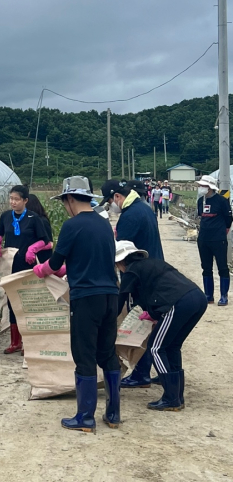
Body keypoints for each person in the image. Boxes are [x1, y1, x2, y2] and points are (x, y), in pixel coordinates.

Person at [33, 176, 120, 433]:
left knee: (84, 354)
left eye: (64, 202)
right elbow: (91, 258)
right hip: (110, 296)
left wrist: (41, 270)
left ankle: (85, 416)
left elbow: (54, 263)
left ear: (70, 199)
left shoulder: (72, 226)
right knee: (107, 353)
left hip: (86, 298)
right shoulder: (104, 224)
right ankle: (113, 413)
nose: (65, 206)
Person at [115, 239, 207, 411]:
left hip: (178, 302)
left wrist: (109, 320)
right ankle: (177, 395)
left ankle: (171, 398)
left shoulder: (131, 271)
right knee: (172, 346)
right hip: (197, 298)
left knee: (156, 348)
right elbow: (155, 291)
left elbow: (122, 300)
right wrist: (154, 314)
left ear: (120, 261)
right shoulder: (152, 263)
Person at [99, 179, 164, 389]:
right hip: (154, 270)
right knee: (151, 321)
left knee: (141, 322)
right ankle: (158, 371)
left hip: (141, 276)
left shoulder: (130, 216)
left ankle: (142, 373)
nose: (111, 207)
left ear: (117, 197)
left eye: (110, 202)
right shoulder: (144, 208)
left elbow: (121, 251)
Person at [0, 185, 53, 354]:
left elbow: (45, 241)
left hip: (29, 267)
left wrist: (32, 249)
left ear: (25, 201)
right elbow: (0, 233)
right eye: (11, 198)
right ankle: (15, 341)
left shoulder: (34, 219)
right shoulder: (6, 217)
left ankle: (29, 342)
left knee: (28, 302)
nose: (13, 202)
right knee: (12, 301)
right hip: (11, 266)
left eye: (16, 199)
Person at [195, 174, 232, 306]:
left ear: (210, 187)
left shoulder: (222, 201)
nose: (200, 188)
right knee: (206, 267)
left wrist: (224, 229)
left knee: (222, 267)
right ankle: (208, 295)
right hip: (204, 238)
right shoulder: (201, 201)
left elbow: (228, 219)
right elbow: (201, 216)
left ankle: (223, 296)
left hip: (218, 239)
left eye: (203, 186)